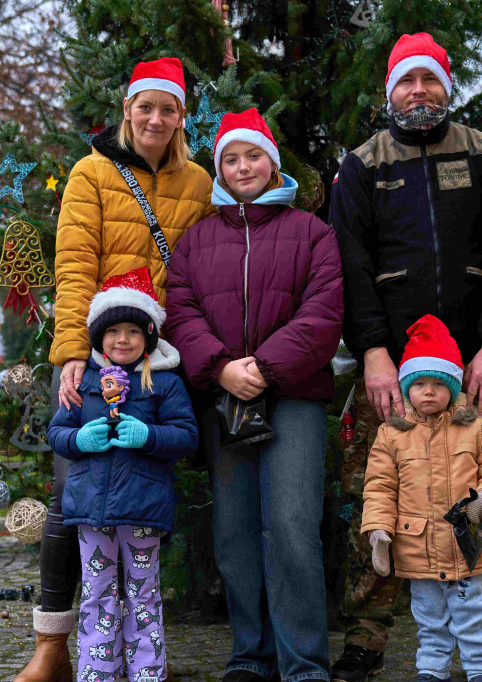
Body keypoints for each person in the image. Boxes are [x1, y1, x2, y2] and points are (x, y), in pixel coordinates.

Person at [329, 33, 482, 682]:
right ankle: (366, 640)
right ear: (390, 91)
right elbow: (350, 268)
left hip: (475, 364)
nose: (419, 91)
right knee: (381, 496)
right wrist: (371, 354)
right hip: (391, 374)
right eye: (406, 82)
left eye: (430, 81)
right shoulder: (362, 167)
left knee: (480, 503)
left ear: (446, 86)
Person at [16, 56, 213, 682]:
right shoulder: (92, 172)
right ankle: (52, 644)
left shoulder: (200, 182)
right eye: (145, 106)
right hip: (94, 353)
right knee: (73, 492)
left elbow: (200, 273)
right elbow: (74, 266)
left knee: (149, 487)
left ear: (182, 117)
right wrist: (73, 352)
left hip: (164, 362)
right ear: (128, 110)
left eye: (169, 108)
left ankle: (145, 650)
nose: (156, 118)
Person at [164, 108, 343, 682]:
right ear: (218, 169)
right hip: (224, 402)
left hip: (293, 398)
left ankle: (304, 661)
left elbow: (323, 313)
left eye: (253, 156)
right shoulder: (195, 241)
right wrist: (221, 370)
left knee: (291, 525)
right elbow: (180, 312)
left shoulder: (312, 232)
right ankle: (250, 654)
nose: (243, 167)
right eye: (231, 159)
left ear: (272, 162)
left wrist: (263, 368)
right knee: (235, 530)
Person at [48, 267, 198, 682]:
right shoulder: (84, 380)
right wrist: (80, 440)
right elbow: (57, 432)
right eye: (113, 332)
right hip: (91, 509)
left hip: (142, 509)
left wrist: (148, 435)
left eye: (133, 331)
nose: (122, 340)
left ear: (147, 337)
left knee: (142, 593)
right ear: (99, 338)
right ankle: (98, 671)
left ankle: (147, 669)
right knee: (97, 593)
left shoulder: (164, 382)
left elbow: (186, 435)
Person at [362, 315, 482, 682]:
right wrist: (379, 531)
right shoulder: (390, 435)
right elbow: (379, 487)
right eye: (419, 384)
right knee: (429, 619)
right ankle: (431, 671)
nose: (428, 392)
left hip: (467, 547)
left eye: (437, 384)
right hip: (418, 548)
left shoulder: (474, 427)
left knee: (473, 617)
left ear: (452, 386)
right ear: (406, 388)